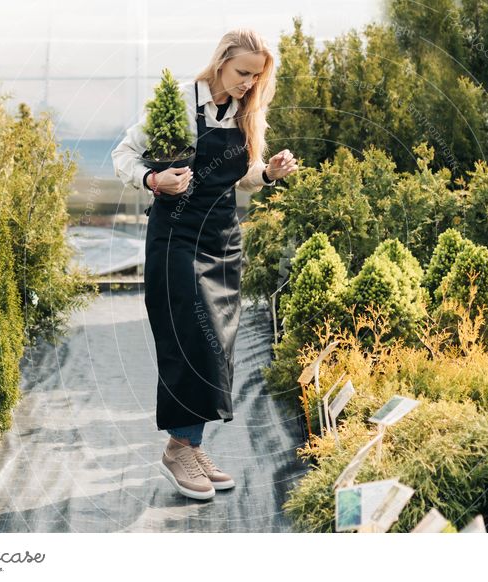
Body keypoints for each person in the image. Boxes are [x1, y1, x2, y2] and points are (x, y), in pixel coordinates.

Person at [112, 29, 298, 500]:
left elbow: (245, 177)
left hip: (221, 241)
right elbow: (124, 155)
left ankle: (190, 446)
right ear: (221, 62)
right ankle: (179, 451)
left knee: (217, 343)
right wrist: (154, 179)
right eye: (241, 73)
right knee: (189, 338)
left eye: (256, 77)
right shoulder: (178, 101)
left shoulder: (246, 113)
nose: (247, 83)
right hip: (175, 237)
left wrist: (269, 173)